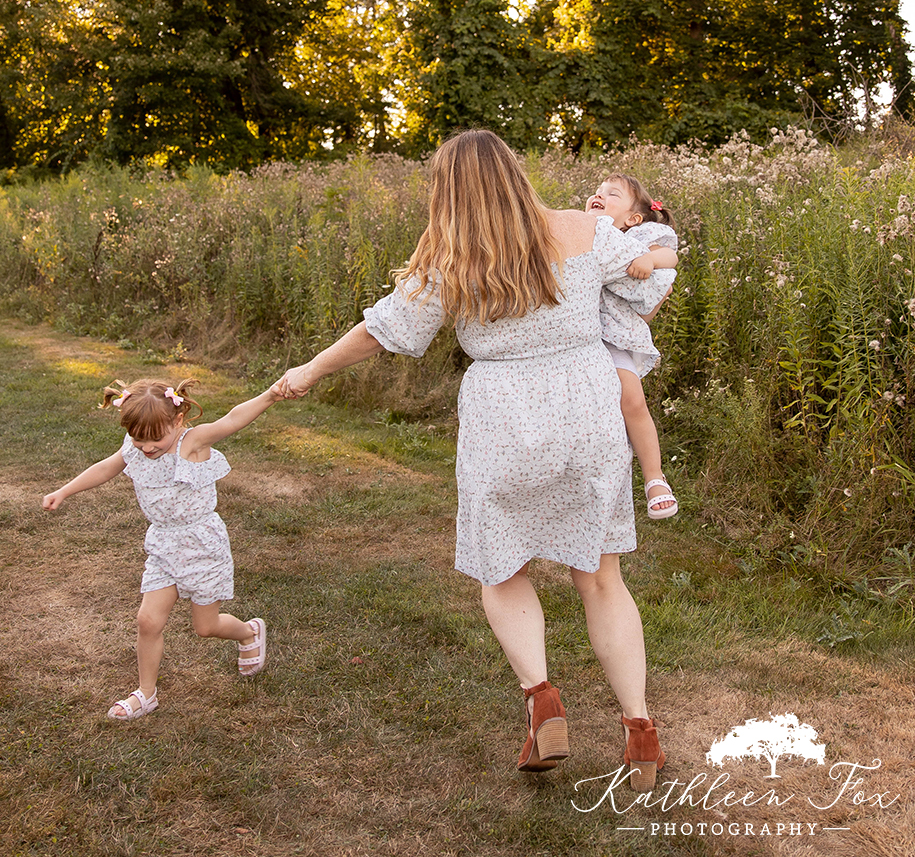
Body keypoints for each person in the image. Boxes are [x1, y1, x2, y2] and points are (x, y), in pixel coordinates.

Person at [274, 130, 673, 785]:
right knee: (602, 578)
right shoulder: (585, 229)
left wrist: (310, 369)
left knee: (502, 567)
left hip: (503, 415)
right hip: (585, 405)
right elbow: (649, 282)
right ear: (515, 172)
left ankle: (543, 701)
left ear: (448, 190)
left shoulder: (449, 256)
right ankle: (640, 732)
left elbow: (382, 330)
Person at [42, 376, 278, 721]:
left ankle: (249, 632)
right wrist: (64, 491)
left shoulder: (192, 442)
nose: (147, 447)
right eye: (139, 439)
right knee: (147, 621)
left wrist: (271, 394)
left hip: (202, 546)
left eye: (155, 439)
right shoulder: (134, 445)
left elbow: (232, 419)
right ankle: (146, 694)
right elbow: (107, 467)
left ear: (177, 420)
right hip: (163, 545)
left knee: (206, 627)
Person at [585, 174, 680, 521]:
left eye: (612, 194)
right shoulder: (579, 229)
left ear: (633, 218)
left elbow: (670, 256)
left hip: (612, 338)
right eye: (597, 191)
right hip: (573, 336)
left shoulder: (638, 239)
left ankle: (655, 478)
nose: (599, 195)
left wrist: (650, 261)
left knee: (632, 400)